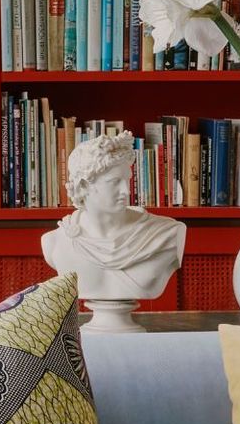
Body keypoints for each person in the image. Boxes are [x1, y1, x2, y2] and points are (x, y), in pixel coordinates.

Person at [41, 131, 185, 330]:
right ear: (83, 187)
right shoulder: (56, 242)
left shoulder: (167, 234)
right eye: (114, 182)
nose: (126, 191)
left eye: (127, 180)